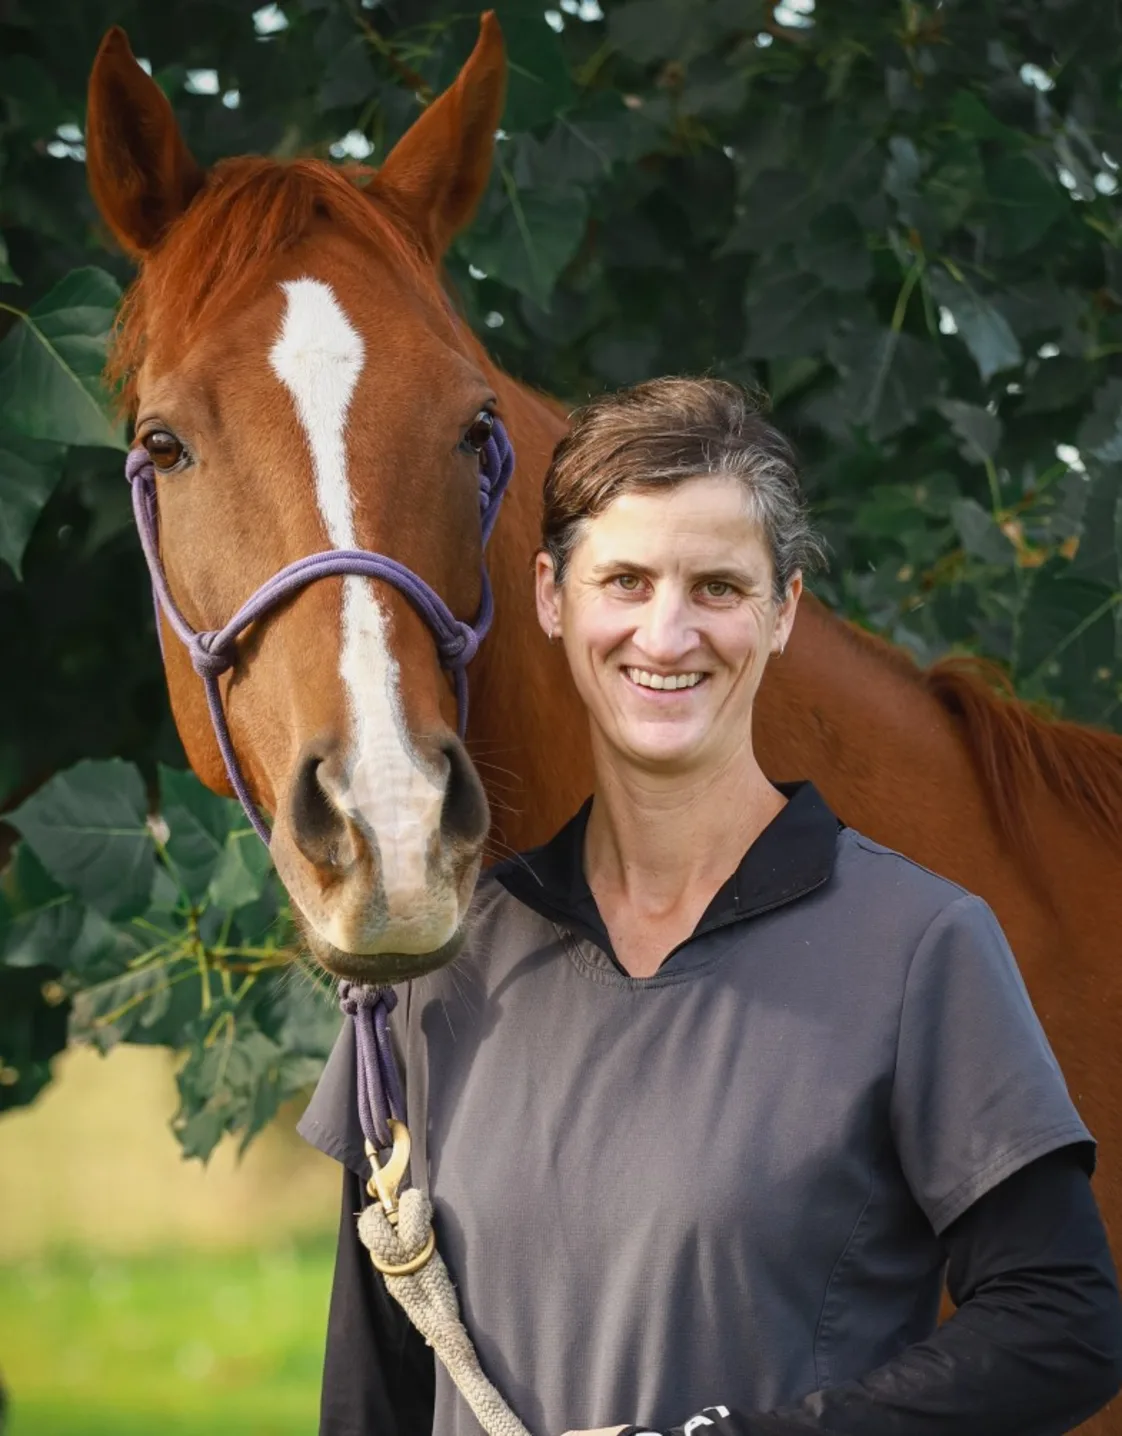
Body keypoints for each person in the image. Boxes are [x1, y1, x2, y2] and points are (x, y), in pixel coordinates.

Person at [299, 378, 1122, 1436]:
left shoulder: (920, 945)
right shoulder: (440, 971)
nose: (667, 631)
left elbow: (1063, 1321)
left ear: (782, 611)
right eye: (626, 580)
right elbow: (369, 1397)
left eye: (719, 587)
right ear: (552, 595)